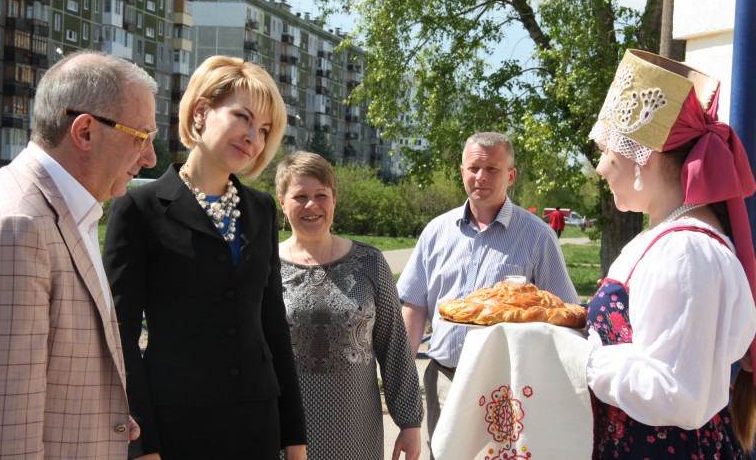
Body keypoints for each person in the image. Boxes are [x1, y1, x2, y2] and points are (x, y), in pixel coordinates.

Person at [102, 56, 307, 460]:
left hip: (257, 423)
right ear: (200, 112)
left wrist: (295, 441)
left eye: (264, 129)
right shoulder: (139, 208)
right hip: (177, 425)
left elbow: (273, 327)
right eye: (242, 117)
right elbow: (120, 337)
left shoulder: (262, 209)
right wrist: (143, 447)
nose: (253, 137)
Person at [0, 50, 158, 458]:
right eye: (142, 137)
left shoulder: (61, 211)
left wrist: (106, 420)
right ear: (85, 132)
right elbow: (1, 438)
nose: (150, 157)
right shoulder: (17, 228)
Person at [586, 49, 756, 458]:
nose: (601, 168)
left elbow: (677, 393)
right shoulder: (671, 238)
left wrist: (583, 358)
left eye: (607, 152)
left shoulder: (685, 251)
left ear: (646, 156)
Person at [397, 131, 578, 452]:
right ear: (462, 170)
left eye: (492, 169)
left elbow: (564, 315)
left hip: (508, 386)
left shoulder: (538, 237)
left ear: (511, 175)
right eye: (473, 168)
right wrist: (403, 376)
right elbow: (414, 305)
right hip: (445, 381)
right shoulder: (437, 232)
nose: (481, 177)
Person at [275, 151, 424, 460]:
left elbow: (393, 346)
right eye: (300, 196)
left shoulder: (370, 262)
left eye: (321, 195)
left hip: (355, 428)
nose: (311, 205)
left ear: (334, 200)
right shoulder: (263, 265)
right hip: (284, 428)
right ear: (282, 202)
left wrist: (409, 423)